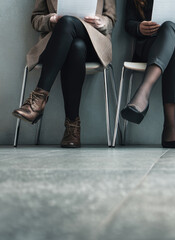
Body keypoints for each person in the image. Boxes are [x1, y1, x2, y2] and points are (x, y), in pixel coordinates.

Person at [12, 0, 116, 148]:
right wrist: (52, 19)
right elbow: (36, 20)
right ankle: (72, 126)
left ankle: (38, 99)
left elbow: (111, 19)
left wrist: (101, 22)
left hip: (94, 42)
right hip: (59, 43)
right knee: (76, 47)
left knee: (67, 22)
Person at [121, 0, 175, 148]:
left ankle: (143, 92)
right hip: (152, 45)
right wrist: (139, 27)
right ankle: (170, 127)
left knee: (168, 26)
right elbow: (129, 23)